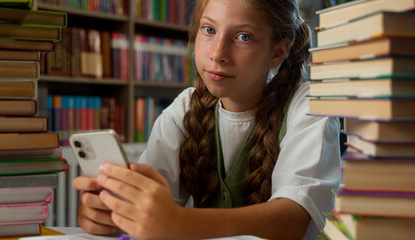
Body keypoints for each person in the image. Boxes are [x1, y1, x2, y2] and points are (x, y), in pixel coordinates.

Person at [72, 0, 341, 239]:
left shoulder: (309, 106)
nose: (217, 53)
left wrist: (179, 222)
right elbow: (148, 206)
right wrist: (111, 211)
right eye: (209, 30)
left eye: (244, 36)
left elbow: (292, 221)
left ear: (278, 52)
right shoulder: (185, 107)